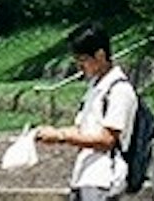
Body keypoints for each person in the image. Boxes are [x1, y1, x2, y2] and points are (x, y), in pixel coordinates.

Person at [31, 27, 137, 201]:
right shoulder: (95, 87)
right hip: (84, 176)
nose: (80, 66)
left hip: (103, 179)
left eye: (83, 60)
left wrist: (61, 137)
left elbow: (107, 140)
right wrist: (51, 133)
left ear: (100, 55)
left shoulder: (119, 91)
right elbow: (82, 129)